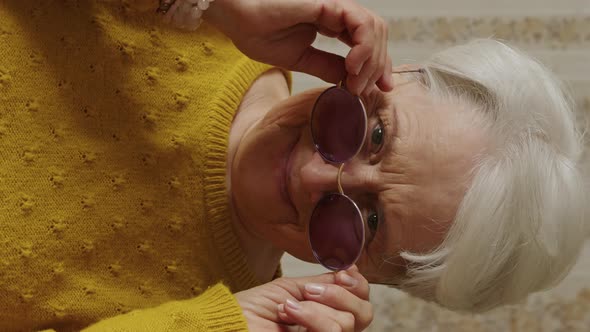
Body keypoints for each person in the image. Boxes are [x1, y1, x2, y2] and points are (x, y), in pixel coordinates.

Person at [0, 1, 587, 331]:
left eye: (369, 223)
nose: (312, 177)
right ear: (392, 73)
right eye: (374, 133)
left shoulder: (225, 319)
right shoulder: (205, 19)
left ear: (372, 280)